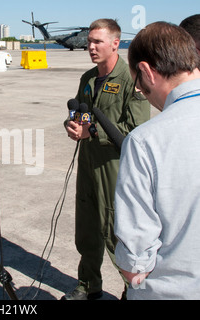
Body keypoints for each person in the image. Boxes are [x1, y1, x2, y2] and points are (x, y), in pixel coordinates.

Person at [62, 19, 150, 300]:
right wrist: (73, 125)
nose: (90, 47)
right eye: (89, 41)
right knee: (86, 229)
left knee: (116, 231)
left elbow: (135, 132)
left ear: (115, 43)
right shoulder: (88, 78)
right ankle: (89, 285)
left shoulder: (131, 81)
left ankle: (133, 290)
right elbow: (79, 111)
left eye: (97, 42)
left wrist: (94, 133)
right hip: (88, 162)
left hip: (114, 166)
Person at [114, 22, 200, 300]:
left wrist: (134, 268)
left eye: (141, 88)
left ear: (147, 72)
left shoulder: (145, 141)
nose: (146, 97)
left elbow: (134, 259)